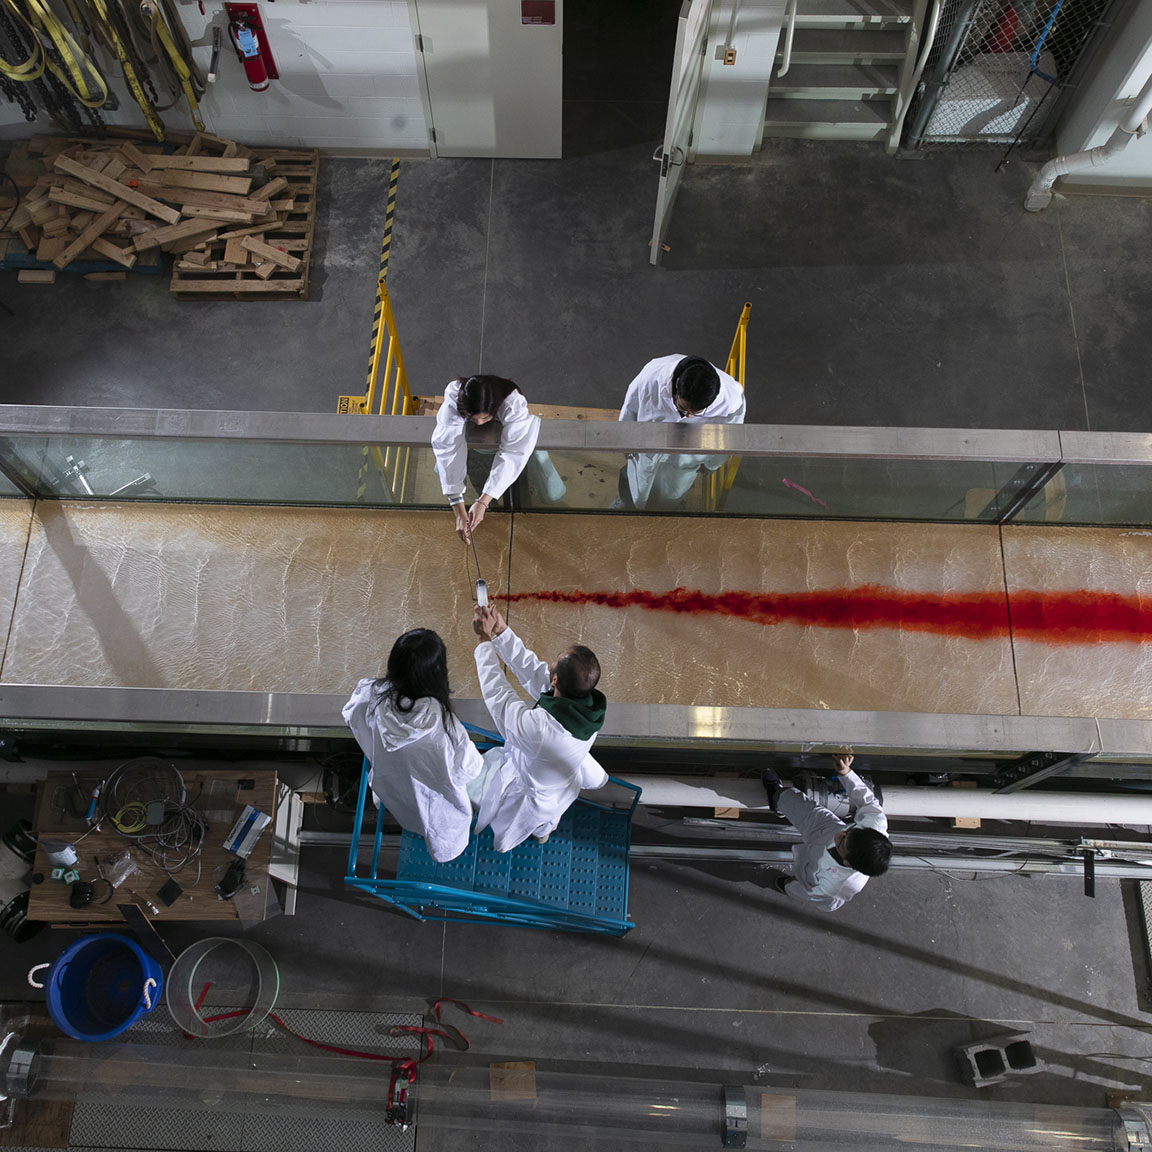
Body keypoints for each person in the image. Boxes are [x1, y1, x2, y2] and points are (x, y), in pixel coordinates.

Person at [469, 605, 607, 851]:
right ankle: (542, 833)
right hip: (561, 782)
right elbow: (533, 672)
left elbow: (499, 697)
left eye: (554, 664)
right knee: (547, 820)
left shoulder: (541, 731)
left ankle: (525, 831)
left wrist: (483, 641)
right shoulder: (589, 705)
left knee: (485, 792)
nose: (549, 666)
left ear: (557, 681)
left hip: (533, 792)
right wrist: (500, 632)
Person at [342, 628, 483, 863]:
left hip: (394, 795)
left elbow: (351, 717)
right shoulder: (444, 725)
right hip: (435, 810)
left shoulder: (369, 695)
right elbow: (468, 769)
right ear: (438, 673)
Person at [431, 373, 564, 540]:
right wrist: (458, 509)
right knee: (479, 480)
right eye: (473, 418)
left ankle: (518, 511)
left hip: (506, 455)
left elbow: (514, 453)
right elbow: (448, 447)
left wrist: (483, 501)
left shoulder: (512, 403)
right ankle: (491, 510)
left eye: (486, 417)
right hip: (475, 454)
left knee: (519, 485)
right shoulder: (455, 396)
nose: (479, 423)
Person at [761, 754, 891, 912]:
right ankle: (778, 798)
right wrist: (846, 773)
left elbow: (811, 893)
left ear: (849, 863)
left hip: (813, 870)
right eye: (849, 832)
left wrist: (791, 886)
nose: (841, 835)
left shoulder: (836, 886)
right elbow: (867, 800)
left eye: (842, 843)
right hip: (825, 827)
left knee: (797, 882)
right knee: (789, 798)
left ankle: (786, 886)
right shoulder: (876, 823)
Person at [616, 353, 746, 509]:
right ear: (677, 384)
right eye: (682, 408)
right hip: (645, 451)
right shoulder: (652, 376)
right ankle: (626, 503)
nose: (687, 415)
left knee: (672, 491)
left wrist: (712, 464)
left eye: (696, 413)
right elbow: (630, 407)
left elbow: (727, 438)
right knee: (633, 481)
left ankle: (667, 510)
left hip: (683, 461)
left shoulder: (731, 402)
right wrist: (624, 441)